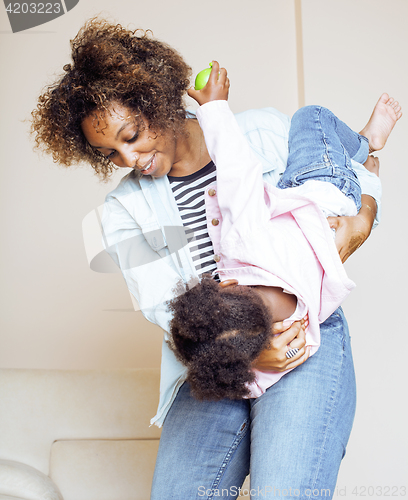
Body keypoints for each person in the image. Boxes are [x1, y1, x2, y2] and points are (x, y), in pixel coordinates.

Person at [30, 18, 401, 499]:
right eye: (111, 152)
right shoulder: (122, 211)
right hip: (213, 359)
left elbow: (332, 181)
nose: (130, 157)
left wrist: (367, 206)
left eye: (132, 134)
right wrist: (241, 349)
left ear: (156, 99)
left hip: (300, 331)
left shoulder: (261, 132)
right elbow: (164, 308)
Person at [167, 64, 401, 402]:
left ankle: (361, 163)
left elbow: (252, 383)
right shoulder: (245, 245)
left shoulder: (300, 328)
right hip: (322, 188)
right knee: (311, 116)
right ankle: (366, 143)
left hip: (334, 209)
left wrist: (237, 370)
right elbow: (237, 172)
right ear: (228, 284)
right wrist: (213, 107)